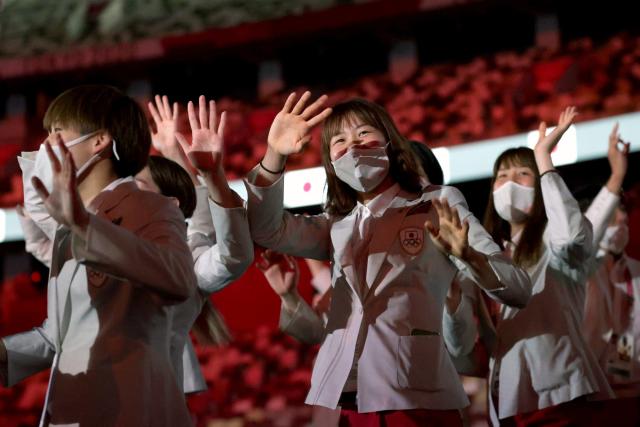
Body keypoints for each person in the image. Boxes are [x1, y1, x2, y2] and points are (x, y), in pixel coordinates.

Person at [245, 93, 531, 426]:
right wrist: (274, 156)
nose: (352, 147)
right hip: (345, 399)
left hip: (415, 396)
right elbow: (265, 229)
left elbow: (518, 291)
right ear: (330, 161)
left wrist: (470, 257)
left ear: (390, 142)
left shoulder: (438, 202)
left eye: (364, 134)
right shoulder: (335, 223)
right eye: (339, 140)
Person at [1, 85, 196, 426]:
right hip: (74, 410)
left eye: (58, 131)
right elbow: (64, 334)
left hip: (130, 412)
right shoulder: (73, 223)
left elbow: (178, 279)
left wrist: (82, 225)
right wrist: (6, 354)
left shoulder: (150, 206)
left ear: (99, 141)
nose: (46, 145)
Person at [445, 107, 614, 426]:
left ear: (541, 186)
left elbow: (573, 237)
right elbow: (461, 345)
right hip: (507, 400)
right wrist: (451, 294)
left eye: (523, 174)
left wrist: (544, 160)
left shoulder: (556, 238)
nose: (510, 183)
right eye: (501, 176)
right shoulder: (484, 253)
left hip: (559, 394)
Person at [146, 95, 254, 394]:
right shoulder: (116, 248)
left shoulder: (187, 263)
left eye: (138, 188)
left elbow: (228, 255)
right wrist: (171, 153)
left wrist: (211, 174)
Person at [582, 124, 639, 425]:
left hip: (628, 395)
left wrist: (623, 371)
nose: (622, 217)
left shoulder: (636, 274)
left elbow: (630, 331)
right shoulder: (579, 270)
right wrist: (616, 175)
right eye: (612, 210)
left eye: (624, 209)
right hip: (586, 398)